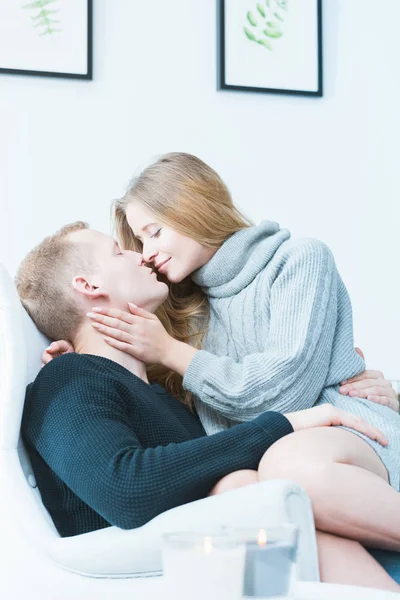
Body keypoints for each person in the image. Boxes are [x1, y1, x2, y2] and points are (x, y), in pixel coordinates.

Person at [44, 152, 400, 588]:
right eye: (133, 246)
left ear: (191, 207)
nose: (147, 255)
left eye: (153, 234)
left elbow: (286, 394)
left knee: (279, 477)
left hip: (338, 441)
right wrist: (72, 355)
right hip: (272, 480)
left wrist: (170, 352)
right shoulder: (173, 315)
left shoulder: (296, 259)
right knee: (260, 493)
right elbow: (128, 431)